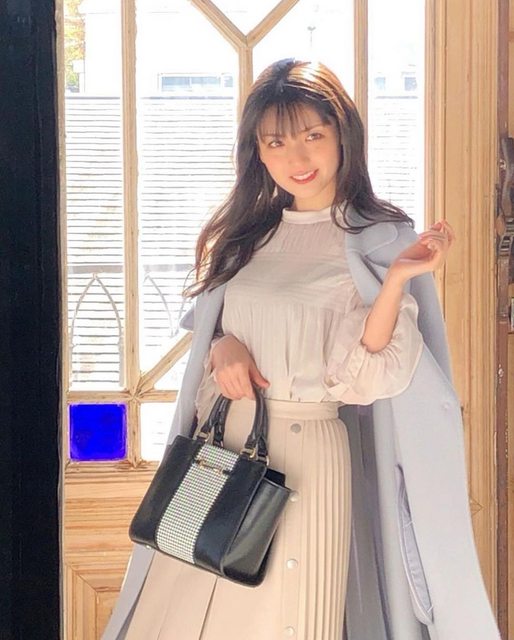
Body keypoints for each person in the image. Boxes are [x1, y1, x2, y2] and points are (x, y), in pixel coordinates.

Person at [102, 59, 501, 640]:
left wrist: (396, 281)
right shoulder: (246, 236)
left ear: (343, 135)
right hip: (219, 447)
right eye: (277, 142)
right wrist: (222, 346)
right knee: (183, 613)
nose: (298, 156)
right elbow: (214, 330)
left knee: (282, 618)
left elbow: (365, 375)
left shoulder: (379, 237)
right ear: (258, 152)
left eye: (313, 134)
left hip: (308, 452)